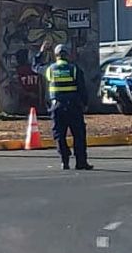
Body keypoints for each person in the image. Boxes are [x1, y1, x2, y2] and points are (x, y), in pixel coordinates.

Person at [37, 42, 93, 170]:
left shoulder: (50, 69)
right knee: (78, 135)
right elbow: (82, 89)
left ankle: (65, 160)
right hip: (74, 107)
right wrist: (85, 104)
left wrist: (41, 52)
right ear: (67, 55)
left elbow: (35, 66)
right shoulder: (74, 69)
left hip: (57, 108)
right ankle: (81, 162)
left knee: (59, 135)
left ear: (56, 56)